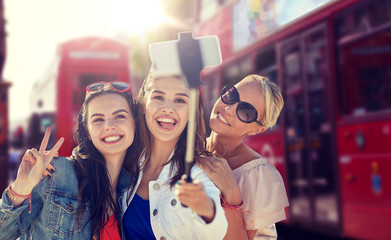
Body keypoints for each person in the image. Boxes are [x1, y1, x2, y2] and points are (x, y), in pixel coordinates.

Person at [0, 81, 136, 240]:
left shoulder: (136, 189)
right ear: (87, 129)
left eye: (119, 116)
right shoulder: (57, 175)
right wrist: (21, 187)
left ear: (134, 122)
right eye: (98, 119)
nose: (109, 126)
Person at [121, 72, 228, 239]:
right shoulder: (126, 161)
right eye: (158, 97)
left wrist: (207, 209)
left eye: (180, 100)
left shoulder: (198, 173)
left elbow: (216, 232)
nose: (168, 108)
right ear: (143, 105)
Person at [197, 74, 289, 240]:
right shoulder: (189, 150)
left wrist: (231, 197)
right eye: (231, 95)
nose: (229, 109)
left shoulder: (259, 176)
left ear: (256, 130)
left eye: (246, 112)